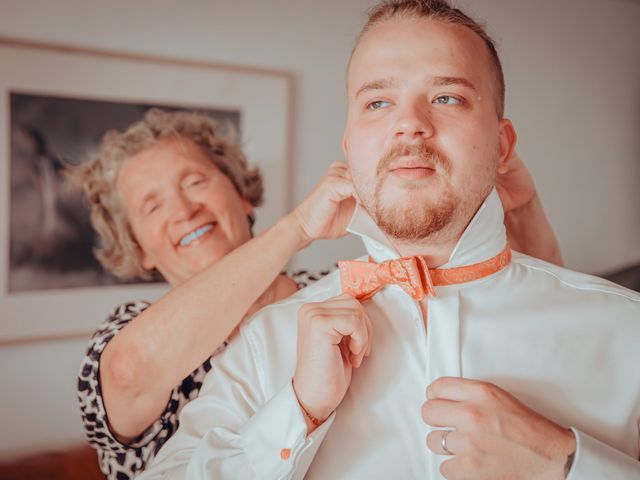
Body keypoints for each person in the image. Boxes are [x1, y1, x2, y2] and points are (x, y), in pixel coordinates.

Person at [135, 1, 640, 479]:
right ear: (351, 148)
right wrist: (296, 412)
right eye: (378, 102)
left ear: (502, 145)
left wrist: (568, 463)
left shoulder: (624, 329)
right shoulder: (266, 344)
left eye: (448, 98)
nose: (409, 125)